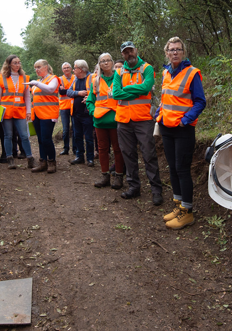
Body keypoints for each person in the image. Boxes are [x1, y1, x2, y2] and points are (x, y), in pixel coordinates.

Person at [156, 37, 206, 230]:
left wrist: (185, 120)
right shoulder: (165, 73)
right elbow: (165, 98)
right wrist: (159, 113)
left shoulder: (192, 73)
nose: (175, 52)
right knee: (172, 168)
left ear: (183, 52)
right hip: (166, 127)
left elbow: (200, 101)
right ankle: (178, 206)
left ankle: (187, 212)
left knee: (182, 169)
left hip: (183, 129)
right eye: (171, 50)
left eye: (178, 49)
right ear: (166, 53)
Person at [112, 41, 163, 206]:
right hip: (123, 120)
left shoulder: (147, 68)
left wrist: (126, 90)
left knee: (149, 155)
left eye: (131, 51)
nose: (129, 54)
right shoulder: (118, 71)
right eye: (126, 52)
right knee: (128, 155)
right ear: (122, 54)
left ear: (136, 50)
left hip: (143, 119)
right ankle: (134, 187)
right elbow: (115, 93)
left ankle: (156, 190)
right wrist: (136, 90)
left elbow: (146, 88)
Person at [86, 53, 125, 189]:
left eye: (108, 60)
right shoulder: (96, 81)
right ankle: (105, 176)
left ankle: (119, 177)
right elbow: (90, 101)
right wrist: (93, 112)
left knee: (118, 149)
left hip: (116, 121)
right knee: (102, 150)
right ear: (99, 64)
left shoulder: (120, 78)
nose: (106, 63)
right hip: (100, 122)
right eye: (103, 61)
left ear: (112, 62)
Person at [0, 55, 35, 170]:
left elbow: (27, 97)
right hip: (6, 112)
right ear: (9, 64)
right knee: (8, 135)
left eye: (19, 62)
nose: (18, 65)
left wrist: (28, 111)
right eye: (15, 63)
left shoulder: (24, 78)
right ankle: (10, 159)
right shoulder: (1, 78)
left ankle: (30, 158)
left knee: (24, 135)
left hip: (20, 111)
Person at [28, 59, 60, 173]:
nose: (36, 70)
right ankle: (43, 162)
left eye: (39, 67)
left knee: (46, 139)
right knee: (40, 139)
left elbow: (50, 89)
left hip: (48, 113)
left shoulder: (53, 79)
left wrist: (36, 83)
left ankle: (52, 162)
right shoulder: (38, 81)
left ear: (45, 67)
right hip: (37, 114)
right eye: (35, 68)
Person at [66, 59, 95, 167]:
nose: (73, 70)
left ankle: (90, 158)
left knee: (88, 137)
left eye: (74, 68)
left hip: (87, 114)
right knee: (77, 136)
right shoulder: (75, 79)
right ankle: (79, 157)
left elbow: (97, 92)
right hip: (75, 114)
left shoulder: (92, 78)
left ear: (81, 69)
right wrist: (78, 93)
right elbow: (68, 92)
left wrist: (88, 96)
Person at [58, 62, 76, 156]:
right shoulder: (60, 79)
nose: (66, 69)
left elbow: (77, 90)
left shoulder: (76, 77)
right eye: (64, 68)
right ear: (62, 70)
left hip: (74, 106)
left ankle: (75, 149)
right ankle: (66, 149)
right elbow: (61, 92)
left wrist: (66, 90)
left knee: (74, 128)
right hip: (64, 107)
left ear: (71, 68)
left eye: (68, 67)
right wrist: (72, 91)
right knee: (65, 129)